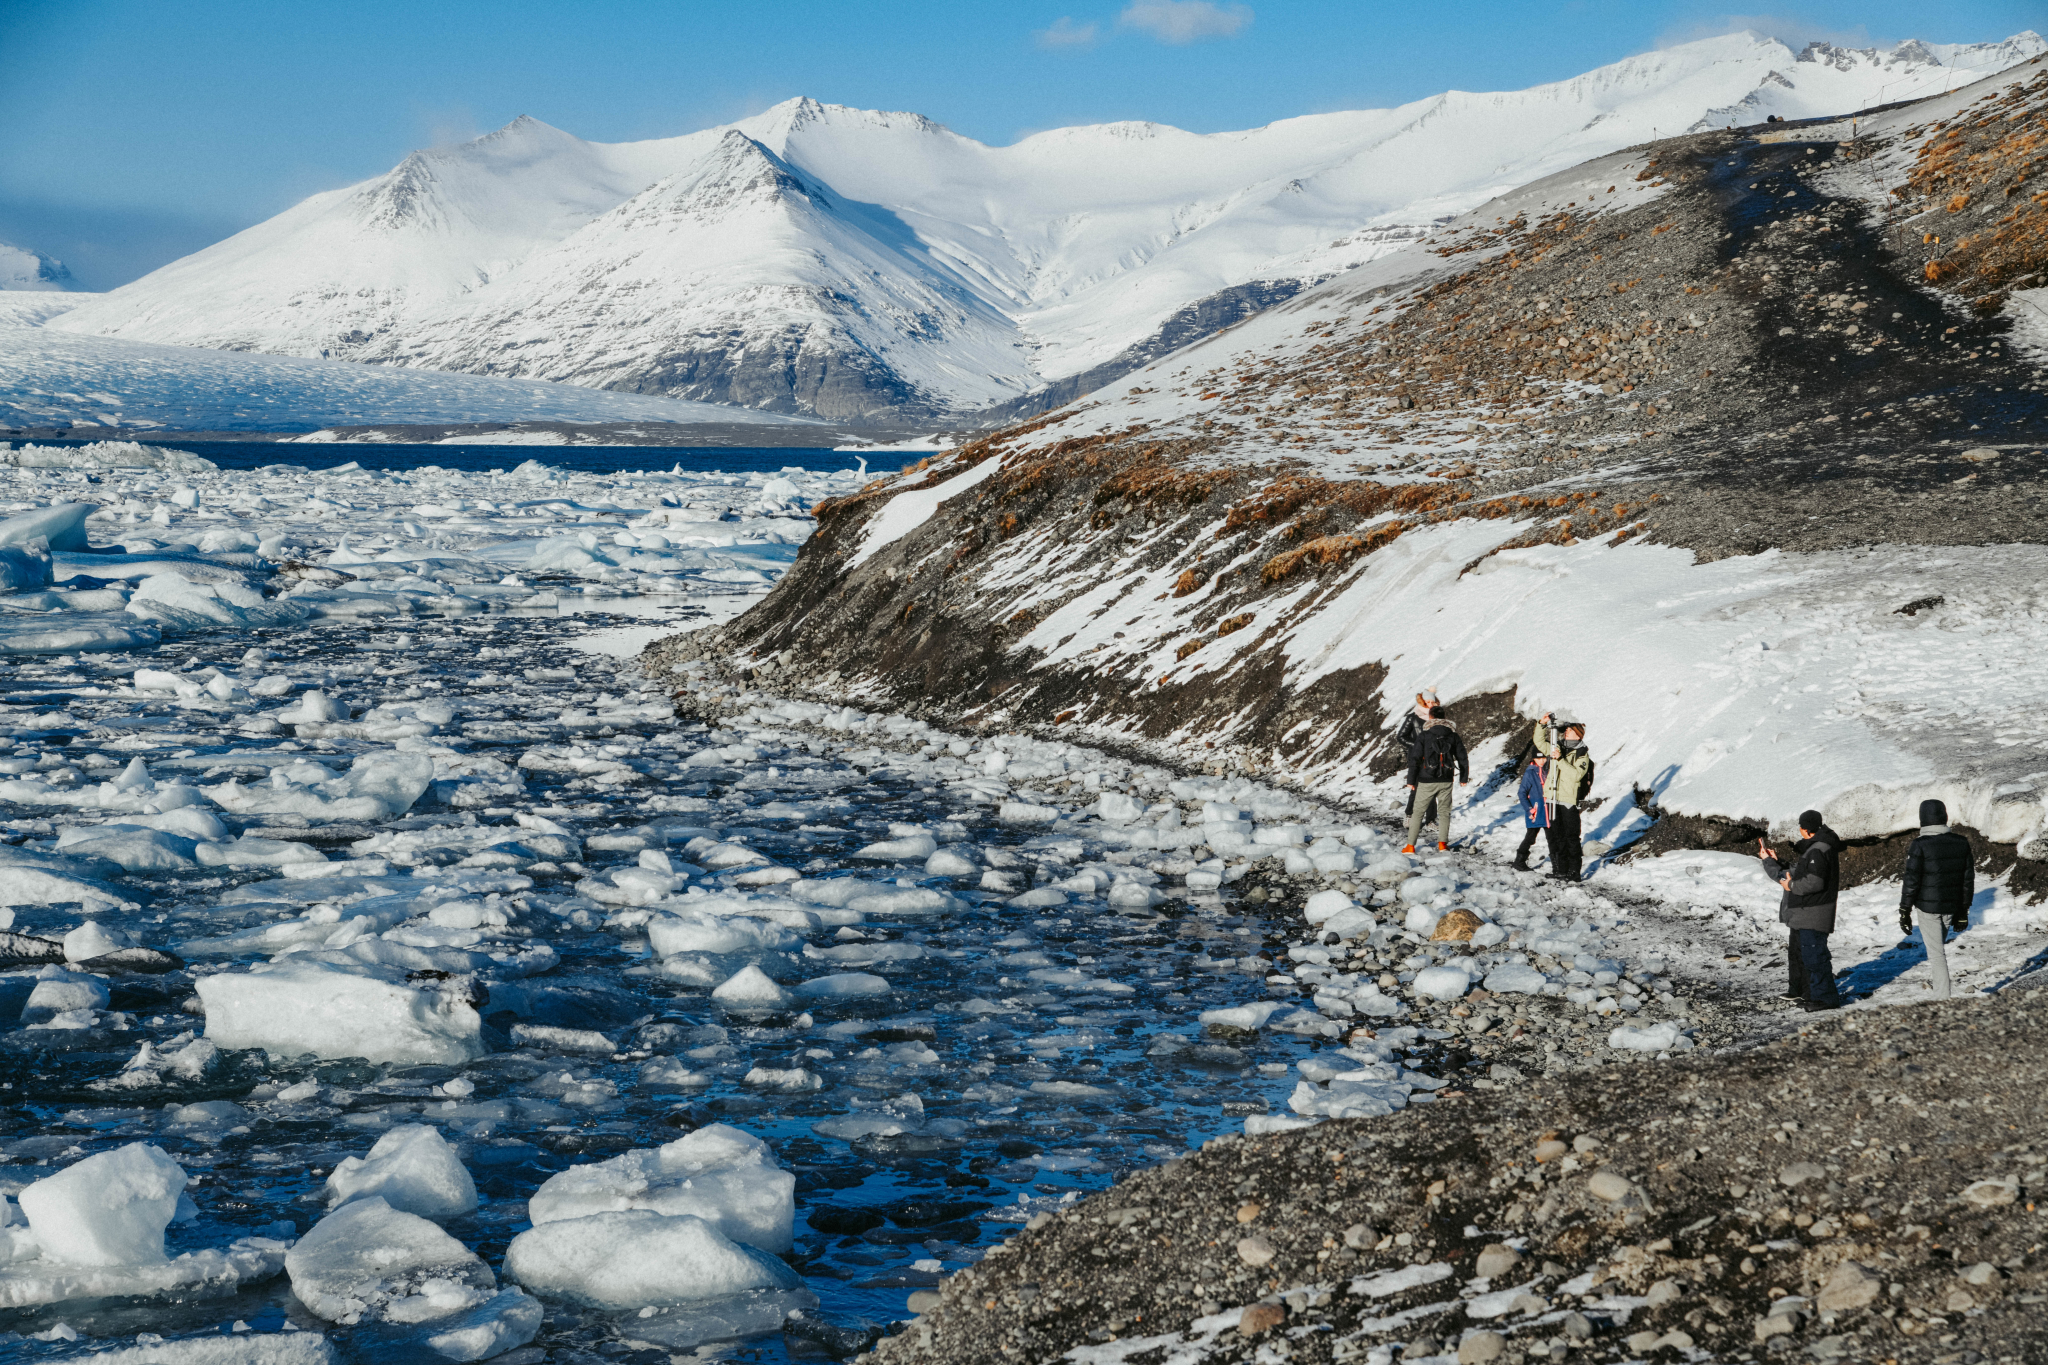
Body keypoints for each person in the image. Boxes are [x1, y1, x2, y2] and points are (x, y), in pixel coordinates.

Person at [1756, 809, 1844, 1011]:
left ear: (1805, 829)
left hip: (1813, 911)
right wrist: (1774, 862)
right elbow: (1801, 872)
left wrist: (1791, 887)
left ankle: (1825, 998)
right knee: (1802, 955)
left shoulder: (1818, 849)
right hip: (1806, 912)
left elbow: (1813, 882)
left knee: (1815, 957)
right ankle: (1808, 993)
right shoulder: (1818, 847)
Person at [1898, 798, 1973, 1001]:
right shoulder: (1961, 843)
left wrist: (1904, 910)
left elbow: (1911, 881)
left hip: (1927, 909)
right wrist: (1963, 911)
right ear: (1944, 817)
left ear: (1923, 819)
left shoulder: (1919, 845)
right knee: (1938, 951)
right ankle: (1941, 990)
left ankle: (1942, 1000)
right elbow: (1967, 881)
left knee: (1937, 954)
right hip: (1951, 907)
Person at [1535, 712, 1593, 882]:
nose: (1566, 731)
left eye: (1570, 730)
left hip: (1568, 800)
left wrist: (1559, 759)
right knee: (1556, 835)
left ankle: (1574, 872)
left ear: (1578, 734)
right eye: (1566, 729)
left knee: (1571, 837)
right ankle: (1561, 870)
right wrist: (1541, 724)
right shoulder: (1557, 746)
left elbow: (1576, 775)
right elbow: (1539, 742)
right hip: (1552, 797)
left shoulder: (1582, 754)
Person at [1402, 705, 1467, 853]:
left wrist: (1411, 781)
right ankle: (1443, 845)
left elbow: (1415, 758)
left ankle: (1410, 846)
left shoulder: (1424, 735)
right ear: (1444, 718)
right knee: (1444, 812)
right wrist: (1463, 777)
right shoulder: (1453, 735)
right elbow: (1462, 757)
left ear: (1430, 717)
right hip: (1446, 779)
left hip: (1426, 779)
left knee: (1418, 812)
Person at [1395, 689, 1439, 817]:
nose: (1430, 705)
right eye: (1428, 702)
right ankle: (1409, 815)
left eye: (1433, 702)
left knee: (1431, 789)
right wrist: (1418, 746)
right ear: (1422, 702)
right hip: (1417, 758)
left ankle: (1431, 820)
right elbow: (1401, 736)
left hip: (1433, 758)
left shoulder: (1437, 717)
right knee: (1416, 788)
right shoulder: (1413, 717)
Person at [1512, 752, 1549, 872]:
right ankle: (1519, 861)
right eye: (1539, 758)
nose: (1542, 760)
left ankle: (1558, 865)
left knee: (1553, 838)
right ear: (1534, 758)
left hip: (1548, 811)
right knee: (1530, 837)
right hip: (1536, 811)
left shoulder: (1547, 770)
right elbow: (1521, 793)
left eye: (1544, 757)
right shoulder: (1530, 772)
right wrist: (1529, 809)